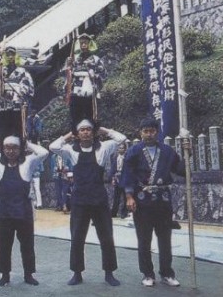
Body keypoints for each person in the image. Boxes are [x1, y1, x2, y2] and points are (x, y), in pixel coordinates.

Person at [49, 119, 126, 287]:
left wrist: (103, 129)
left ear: (93, 132)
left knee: (106, 236)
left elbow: (122, 139)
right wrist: (70, 134)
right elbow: (53, 147)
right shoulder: (71, 151)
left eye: (89, 129)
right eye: (82, 130)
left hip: (99, 198)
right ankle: (77, 273)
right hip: (79, 199)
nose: (85, 132)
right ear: (78, 134)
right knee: (77, 237)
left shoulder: (103, 148)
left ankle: (109, 272)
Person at [121, 118, 185, 287]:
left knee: (165, 239)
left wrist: (187, 153)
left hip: (163, 201)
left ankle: (167, 273)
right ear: (140, 132)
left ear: (157, 132)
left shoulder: (167, 151)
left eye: (152, 131)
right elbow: (127, 175)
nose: (149, 134)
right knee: (144, 239)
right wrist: (129, 196)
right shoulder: (133, 151)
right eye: (145, 131)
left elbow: (180, 169)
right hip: (142, 201)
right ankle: (147, 274)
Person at [0, 136, 48, 286]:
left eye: (14, 147)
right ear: (3, 150)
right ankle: (5, 275)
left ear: (20, 149)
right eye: (7, 147)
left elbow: (43, 153)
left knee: (27, 245)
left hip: (24, 213)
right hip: (4, 214)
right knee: (4, 246)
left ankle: (28, 274)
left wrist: (27, 143)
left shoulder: (27, 163)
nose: (11, 151)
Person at [0, 46, 34, 144]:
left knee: (19, 131)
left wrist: (15, 94)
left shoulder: (22, 71)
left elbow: (27, 86)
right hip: (4, 106)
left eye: (12, 54)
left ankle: (21, 149)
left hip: (17, 105)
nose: (10, 56)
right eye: (7, 54)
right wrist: (1, 93)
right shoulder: (0, 71)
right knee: (3, 132)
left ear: (15, 56)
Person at [64, 34, 106, 133]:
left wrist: (92, 71)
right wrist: (68, 65)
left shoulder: (95, 59)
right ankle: (76, 135)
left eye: (86, 43)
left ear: (90, 45)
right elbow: (68, 75)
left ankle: (94, 135)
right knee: (75, 116)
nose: (83, 45)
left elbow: (103, 74)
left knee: (92, 116)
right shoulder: (75, 59)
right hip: (76, 91)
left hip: (90, 89)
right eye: (81, 43)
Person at [109, 143, 128, 219]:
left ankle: (124, 212)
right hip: (117, 178)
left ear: (125, 149)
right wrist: (112, 177)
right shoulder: (115, 157)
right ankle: (114, 212)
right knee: (116, 196)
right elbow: (113, 168)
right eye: (119, 148)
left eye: (122, 148)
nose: (121, 149)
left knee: (125, 196)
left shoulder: (127, 158)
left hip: (125, 178)